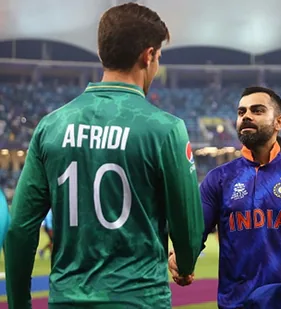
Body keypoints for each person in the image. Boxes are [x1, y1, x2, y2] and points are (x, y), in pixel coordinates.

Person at [4, 3, 205, 308]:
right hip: (140, 299)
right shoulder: (167, 129)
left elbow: (20, 229)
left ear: (101, 54)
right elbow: (187, 226)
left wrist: (19, 303)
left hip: (68, 299)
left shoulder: (51, 127)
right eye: (158, 58)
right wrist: (187, 265)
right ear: (148, 55)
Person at [169, 86, 281, 308]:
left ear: (279, 122)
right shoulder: (218, 178)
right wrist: (182, 259)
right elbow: (195, 232)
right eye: (241, 112)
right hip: (237, 304)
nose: (246, 116)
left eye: (257, 110)